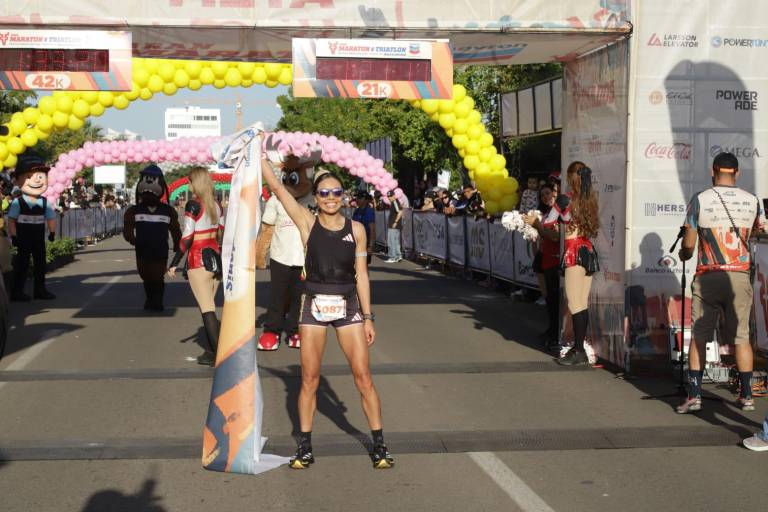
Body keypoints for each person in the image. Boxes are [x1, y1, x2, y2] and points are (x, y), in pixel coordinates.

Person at [260, 139, 394, 470]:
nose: (331, 198)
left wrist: (368, 317)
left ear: (344, 196)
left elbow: (362, 276)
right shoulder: (307, 222)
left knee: (363, 377)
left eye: (336, 193)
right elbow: (277, 187)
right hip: (314, 307)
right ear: (316, 198)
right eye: (324, 194)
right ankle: (304, 447)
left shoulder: (358, 229)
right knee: (309, 380)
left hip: (348, 306)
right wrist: (259, 156)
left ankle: (379, 445)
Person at [676, 152, 761, 414]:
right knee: (741, 338)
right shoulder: (752, 201)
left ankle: (695, 396)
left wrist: (684, 254)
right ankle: (746, 396)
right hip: (739, 276)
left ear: (713, 171)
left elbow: (689, 245)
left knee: (700, 338)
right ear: (737, 173)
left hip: (709, 276)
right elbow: (758, 232)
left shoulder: (700, 199)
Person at [167, 168, 224, 366]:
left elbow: (188, 236)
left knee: (207, 309)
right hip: (216, 259)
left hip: (198, 261)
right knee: (209, 306)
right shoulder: (216, 205)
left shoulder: (193, 205)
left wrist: (174, 263)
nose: (188, 186)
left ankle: (219, 354)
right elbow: (222, 232)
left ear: (195, 183)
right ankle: (211, 352)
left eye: (189, 183)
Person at [555, 161, 600, 365]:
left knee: (575, 302)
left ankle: (579, 349)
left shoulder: (565, 200)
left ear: (571, 177)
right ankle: (578, 348)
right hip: (588, 251)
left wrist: (534, 223)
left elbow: (549, 220)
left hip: (574, 251)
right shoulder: (590, 200)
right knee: (581, 301)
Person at [123, 164, 181, 311]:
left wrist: (177, 243)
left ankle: (157, 300)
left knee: (157, 276)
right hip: (142, 250)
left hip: (160, 250)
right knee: (145, 275)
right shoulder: (134, 211)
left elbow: (175, 229)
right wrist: (133, 240)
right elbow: (128, 229)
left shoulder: (167, 211)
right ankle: (150, 298)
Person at [7, 152, 57, 301]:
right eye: (29, 176)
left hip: (38, 236)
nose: (36, 180)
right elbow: (11, 220)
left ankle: (40, 290)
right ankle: (17, 291)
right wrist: (14, 235)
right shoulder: (18, 202)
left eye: (41, 176)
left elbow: (51, 218)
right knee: (22, 263)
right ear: (18, 180)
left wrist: (52, 232)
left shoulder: (44, 202)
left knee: (40, 263)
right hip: (23, 235)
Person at [525, 183, 560, 350]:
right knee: (548, 296)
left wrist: (538, 226)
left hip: (555, 258)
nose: (546, 197)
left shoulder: (560, 213)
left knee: (555, 297)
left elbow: (555, 237)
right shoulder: (544, 214)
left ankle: (556, 333)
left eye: (548, 193)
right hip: (544, 256)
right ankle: (552, 329)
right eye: (542, 195)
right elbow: (539, 236)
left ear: (554, 193)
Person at [352, 192, 376, 265]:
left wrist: (370, 246)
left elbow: (372, 228)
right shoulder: (357, 211)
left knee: (363, 265)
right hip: (355, 242)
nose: (357, 200)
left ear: (365, 199)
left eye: (359, 198)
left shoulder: (369, 211)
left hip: (365, 242)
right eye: (356, 198)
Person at [385, 190, 403, 263]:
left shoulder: (395, 202)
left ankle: (392, 257)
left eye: (391, 196)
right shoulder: (394, 202)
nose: (389, 198)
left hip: (394, 225)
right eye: (388, 196)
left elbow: (400, 212)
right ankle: (398, 256)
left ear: (394, 195)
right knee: (396, 241)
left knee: (391, 241)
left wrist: (395, 221)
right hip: (395, 225)